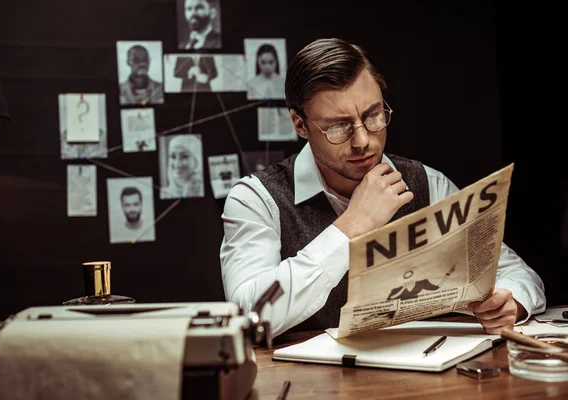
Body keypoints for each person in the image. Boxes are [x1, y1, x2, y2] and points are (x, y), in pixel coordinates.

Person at [220, 38, 546, 338]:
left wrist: (511, 303)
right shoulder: (256, 199)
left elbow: (517, 274)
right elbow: (251, 313)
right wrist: (352, 226)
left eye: (373, 116)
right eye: (338, 127)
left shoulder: (429, 184)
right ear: (300, 124)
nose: (363, 140)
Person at [162, 134, 204, 199]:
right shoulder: (163, 194)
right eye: (173, 157)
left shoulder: (204, 191)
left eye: (184, 156)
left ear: (197, 162)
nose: (177, 164)